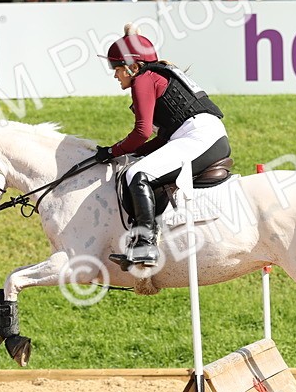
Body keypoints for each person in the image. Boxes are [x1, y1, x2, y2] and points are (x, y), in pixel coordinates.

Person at [94, 24, 230, 268]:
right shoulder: (158, 75)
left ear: (133, 67)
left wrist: (112, 152)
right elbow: (160, 139)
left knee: (137, 174)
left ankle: (145, 245)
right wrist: (135, 153)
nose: (115, 75)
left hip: (199, 137)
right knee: (137, 165)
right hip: (205, 135)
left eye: (116, 69)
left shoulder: (143, 79)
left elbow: (141, 132)